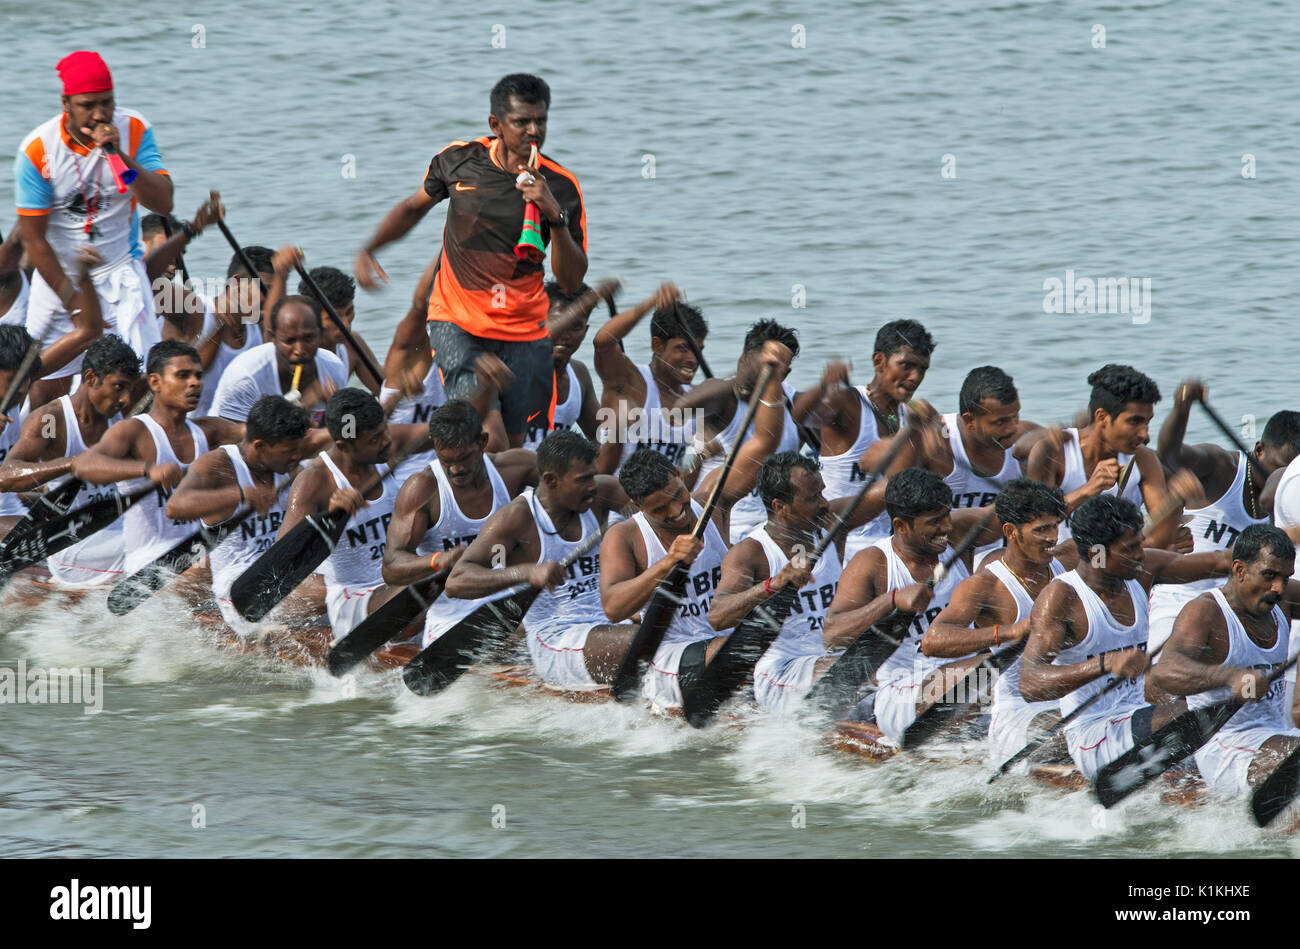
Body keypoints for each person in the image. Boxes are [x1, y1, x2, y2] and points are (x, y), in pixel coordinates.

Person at [354, 74, 587, 446]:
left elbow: (571, 281)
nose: (534, 131)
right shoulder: (459, 160)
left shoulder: (561, 186)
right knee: (481, 429)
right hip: (455, 319)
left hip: (524, 328)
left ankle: (502, 498)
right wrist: (370, 248)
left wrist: (553, 214)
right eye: (522, 122)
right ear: (495, 124)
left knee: (514, 442)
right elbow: (413, 209)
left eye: (540, 121)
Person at [598, 343, 791, 710]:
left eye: (677, 497)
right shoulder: (624, 536)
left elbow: (764, 442)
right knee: (748, 655)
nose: (676, 513)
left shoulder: (711, 502)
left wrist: (773, 382)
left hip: (727, 637)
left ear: (679, 475)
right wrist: (667, 563)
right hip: (670, 658)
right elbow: (613, 608)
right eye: (660, 510)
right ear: (638, 506)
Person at [1018, 490, 1232, 781]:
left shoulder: (1143, 569)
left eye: (1140, 544)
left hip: (1138, 715)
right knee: (1198, 712)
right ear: (1096, 554)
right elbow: (1030, 684)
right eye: (1129, 549)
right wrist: (1105, 664)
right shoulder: (1062, 596)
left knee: (1216, 692)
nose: (1139, 555)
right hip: (1093, 733)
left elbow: (1220, 561)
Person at [16, 51, 172, 407]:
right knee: (39, 380)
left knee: (137, 382)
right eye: (88, 105)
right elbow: (34, 240)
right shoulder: (38, 149)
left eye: (107, 103)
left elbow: (163, 203)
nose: (101, 114)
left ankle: (122, 450)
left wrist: (119, 155)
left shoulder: (133, 129)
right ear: (66, 104)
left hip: (121, 275)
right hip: (60, 279)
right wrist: (73, 303)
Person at [820, 467, 1001, 744]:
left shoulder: (959, 532)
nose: (946, 528)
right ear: (901, 525)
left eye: (947, 516)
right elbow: (832, 636)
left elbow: (1016, 518)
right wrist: (890, 600)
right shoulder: (873, 564)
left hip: (963, 677)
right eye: (934, 522)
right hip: (904, 691)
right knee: (1001, 669)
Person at [444, 431, 632, 686]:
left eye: (593, 475)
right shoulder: (517, 519)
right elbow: (456, 581)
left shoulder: (603, 493)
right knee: (645, 640)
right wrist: (525, 572)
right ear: (551, 480)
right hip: (557, 639)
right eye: (583, 479)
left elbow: (654, 504)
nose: (592, 486)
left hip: (610, 623)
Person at [923, 479, 1069, 767]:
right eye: (1041, 529)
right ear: (1011, 532)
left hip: (1066, 694)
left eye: (1055, 526)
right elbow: (932, 641)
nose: (1052, 537)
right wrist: (1011, 631)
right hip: (1018, 709)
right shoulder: (984, 585)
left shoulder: (1066, 562)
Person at [1150, 525, 1300, 797]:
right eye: (1269, 575)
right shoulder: (1206, 611)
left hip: (1277, 736)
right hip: (1225, 747)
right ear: (1240, 570)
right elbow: (1164, 671)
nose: (1277, 587)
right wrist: (1231, 677)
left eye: (1285, 577)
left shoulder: (1283, 599)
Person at [71, 340, 244, 577]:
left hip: (193, 559)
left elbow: (262, 435)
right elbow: (84, 465)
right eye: (183, 375)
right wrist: (147, 469)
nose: (195, 383)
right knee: (209, 568)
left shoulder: (207, 431)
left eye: (198, 375)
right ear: (155, 382)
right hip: (148, 565)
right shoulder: (134, 431)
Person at [1152, 383, 1300, 652]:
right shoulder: (1222, 467)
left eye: (1291, 473)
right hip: (1181, 596)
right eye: (1279, 468)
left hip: (1243, 606)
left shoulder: (1291, 495)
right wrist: (1182, 408)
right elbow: (1170, 454)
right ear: (1259, 450)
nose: (1281, 480)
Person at [707, 452, 858, 712]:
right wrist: (773, 585)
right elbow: (718, 616)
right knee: (858, 675)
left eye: (822, 493)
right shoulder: (750, 553)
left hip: (832, 660)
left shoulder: (831, 528)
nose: (824, 504)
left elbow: (882, 493)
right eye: (813, 498)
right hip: (782, 671)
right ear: (780, 507)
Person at [166, 395, 327, 635]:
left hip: (280, 575)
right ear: (259, 446)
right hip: (241, 592)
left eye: (298, 450)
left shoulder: (286, 459)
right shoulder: (218, 464)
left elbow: (333, 436)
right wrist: (240, 495)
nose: (296, 457)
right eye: (288, 452)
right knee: (338, 588)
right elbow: (175, 507)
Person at [277, 388, 430, 641]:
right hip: (352, 598)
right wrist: (328, 519)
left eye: (385, 431)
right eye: (375, 439)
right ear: (343, 447)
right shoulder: (315, 481)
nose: (386, 441)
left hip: (394, 583)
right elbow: (283, 564)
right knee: (429, 583)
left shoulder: (384, 449)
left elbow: (445, 436)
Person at [383, 400, 538, 648]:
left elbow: (570, 488)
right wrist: (438, 560)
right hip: (453, 615)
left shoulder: (514, 468)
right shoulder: (422, 488)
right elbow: (391, 566)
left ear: (483, 442)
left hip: (511, 597)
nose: (455, 469)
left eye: (464, 458)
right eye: (446, 461)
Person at [0, 335, 140, 585]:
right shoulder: (53, 421)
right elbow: (7, 474)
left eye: (130, 388)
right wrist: (73, 463)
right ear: (90, 378)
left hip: (113, 531)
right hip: (69, 543)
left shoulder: (117, 415)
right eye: (119, 387)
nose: (126, 399)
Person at [678, 319, 806, 543]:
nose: (771, 372)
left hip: (775, 533)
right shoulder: (724, 398)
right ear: (743, 359)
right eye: (765, 364)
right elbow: (682, 407)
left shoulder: (794, 403)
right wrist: (739, 384)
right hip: (725, 528)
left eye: (778, 369)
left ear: (786, 373)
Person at [817, 319, 935, 561]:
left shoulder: (915, 415)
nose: (914, 377)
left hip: (886, 543)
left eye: (922, 369)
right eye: (906, 365)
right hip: (835, 540)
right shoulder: (846, 403)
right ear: (879, 361)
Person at [1026, 364, 1176, 547]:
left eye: (1147, 422)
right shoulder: (1056, 452)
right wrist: (1089, 489)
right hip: (1062, 565)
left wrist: (1178, 501)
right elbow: (1034, 525)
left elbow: (1162, 534)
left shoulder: (1144, 459)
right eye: (1134, 422)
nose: (1144, 435)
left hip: (1118, 563)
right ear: (1102, 417)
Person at [591, 283, 702, 475]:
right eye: (683, 348)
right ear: (657, 346)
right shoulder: (628, 381)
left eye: (698, 350)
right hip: (616, 495)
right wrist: (650, 303)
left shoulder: (697, 397)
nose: (693, 359)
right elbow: (603, 341)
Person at [210, 291, 348, 425]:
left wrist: (339, 413)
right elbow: (236, 441)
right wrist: (302, 410)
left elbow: (347, 434)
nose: (299, 351)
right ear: (272, 338)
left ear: (321, 334)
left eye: (308, 338)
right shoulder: (245, 377)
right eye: (289, 341)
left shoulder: (334, 367)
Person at [518, 280, 606, 451]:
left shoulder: (579, 374)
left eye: (576, 327)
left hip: (557, 475)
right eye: (560, 323)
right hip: (513, 472)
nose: (566, 335)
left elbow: (601, 438)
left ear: (585, 331)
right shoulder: (518, 364)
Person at [192, 245, 274, 418]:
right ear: (237, 283)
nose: (269, 299)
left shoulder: (257, 328)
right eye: (265, 289)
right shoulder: (199, 310)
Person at [297, 265, 381, 394]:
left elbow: (386, 390)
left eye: (349, 312)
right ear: (310, 316)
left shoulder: (352, 344)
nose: (346, 325)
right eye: (334, 318)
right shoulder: (297, 354)